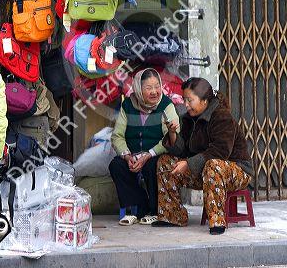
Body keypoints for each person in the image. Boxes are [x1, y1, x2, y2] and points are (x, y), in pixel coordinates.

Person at [152, 77, 254, 235]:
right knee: (165, 162)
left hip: (236, 170)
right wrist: (172, 134)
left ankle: (217, 221)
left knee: (213, 164)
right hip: (203, 170)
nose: (185, 104)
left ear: (205, 100)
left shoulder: (222, 117)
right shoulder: (188, 119)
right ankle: (172, 216)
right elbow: (182, 151)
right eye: (184, 99)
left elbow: (220, 152)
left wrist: (188, 164)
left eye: (190, 100)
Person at [109, 68, 179, 226]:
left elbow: (171, 137)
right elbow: (117, 135)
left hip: (155, 154)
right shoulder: (128, 105)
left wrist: (148, 154)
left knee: (153, 165)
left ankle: (154, 210)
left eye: (157, 86)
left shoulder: (166, 105)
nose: (154, 92)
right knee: (116, 165)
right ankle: (139, 207)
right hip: (133, 155)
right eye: (148, 88)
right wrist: (127, 156)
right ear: (139, 89)